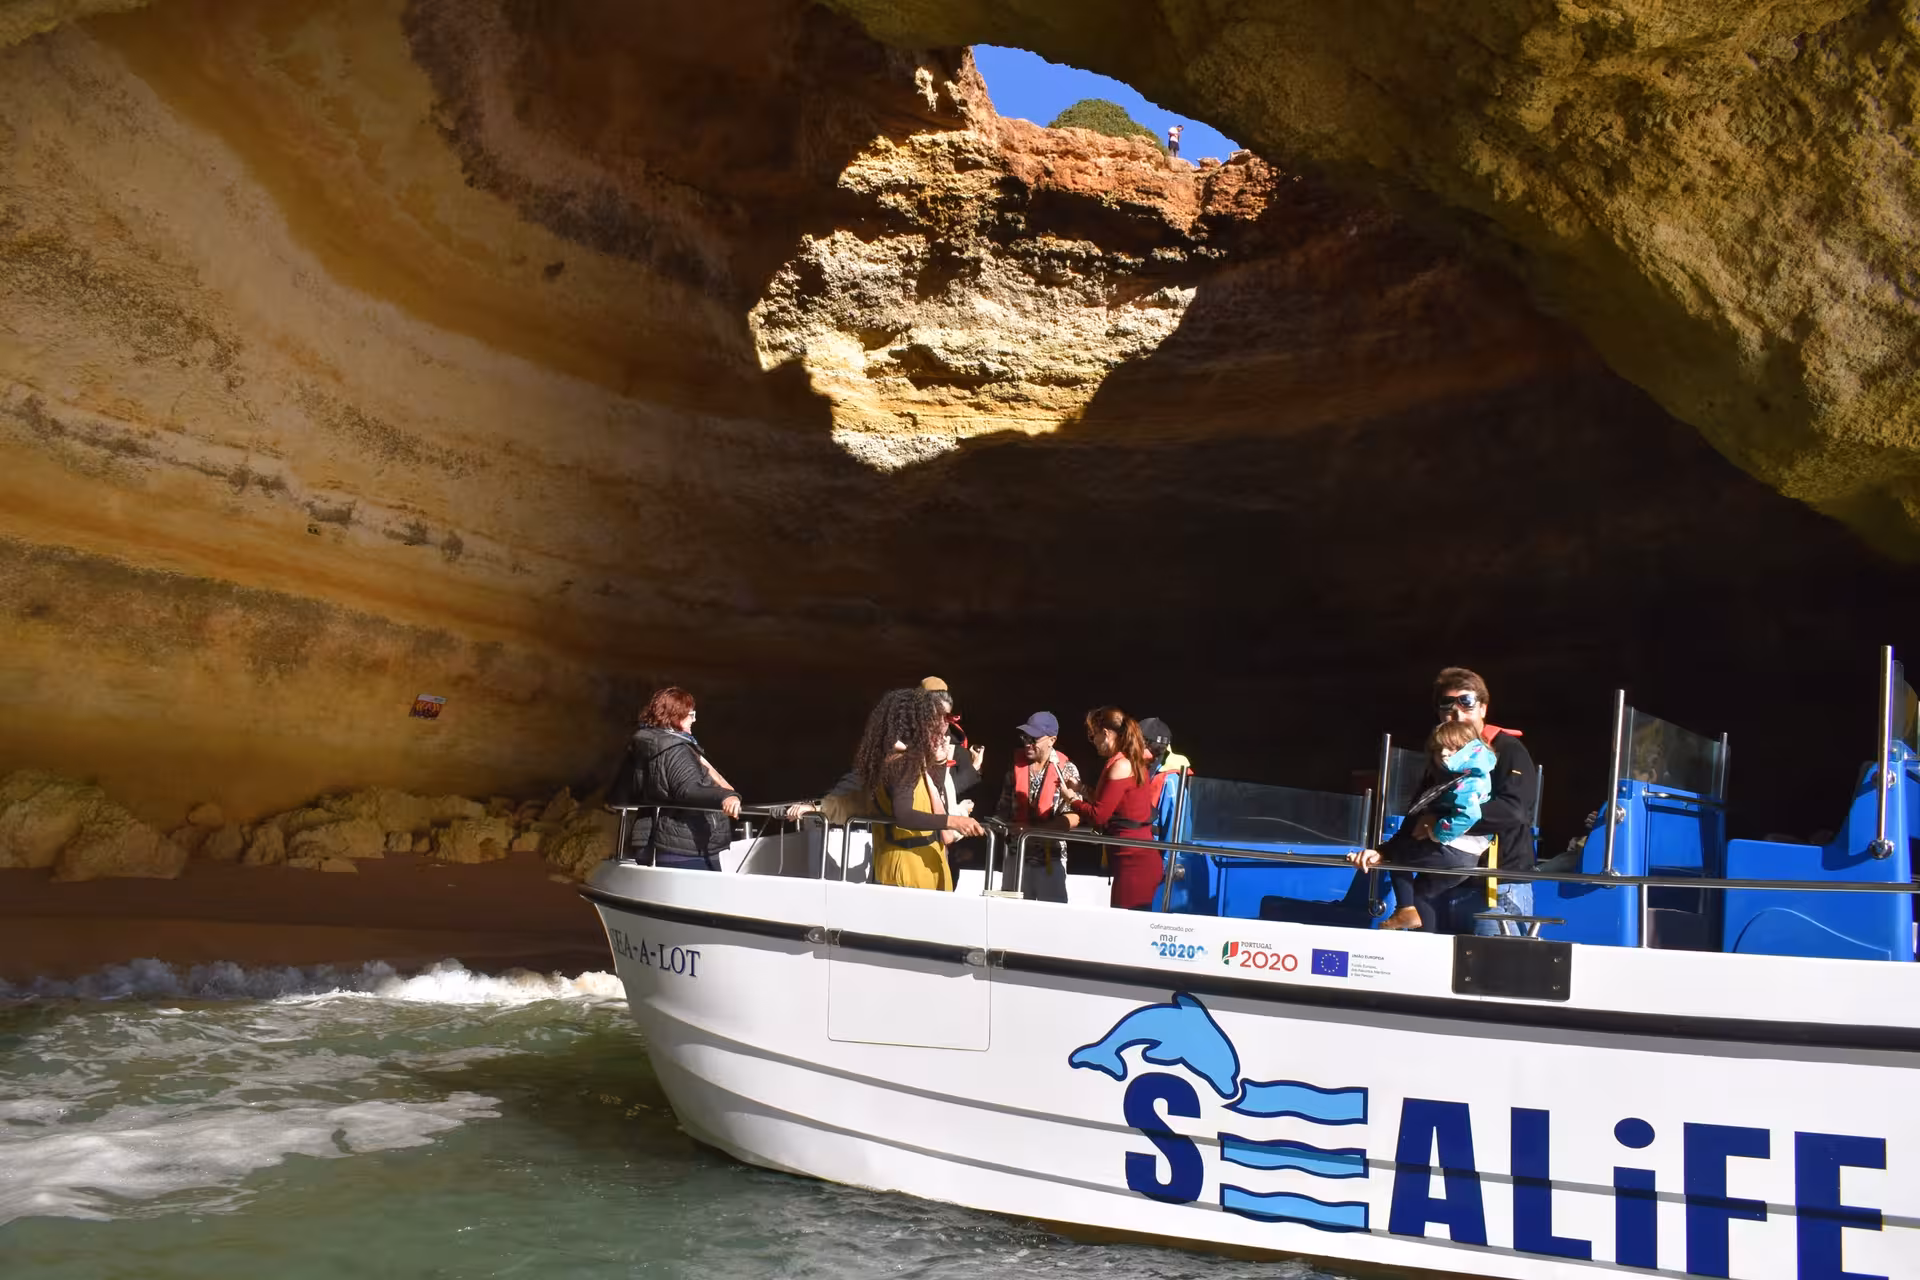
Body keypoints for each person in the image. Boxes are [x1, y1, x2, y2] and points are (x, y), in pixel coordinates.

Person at [1350, 667, 1538, 933]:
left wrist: (1441, 822)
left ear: (1483, 708)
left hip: (1495, 887)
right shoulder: (1444, 755)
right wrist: (1382, 852)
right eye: (1448, 707)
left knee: (1490, 970)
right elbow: (1419, 814)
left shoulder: (1507, 749)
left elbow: (1515, 811)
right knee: (1433, 964)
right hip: (1443, 885)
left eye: (1467, 704)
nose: (1458, 715)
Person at [1363, 720, 1499, 929]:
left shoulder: (1467, 780)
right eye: (1438, 750)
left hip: (1454, 851)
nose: (1444, 754)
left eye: (1453, 748)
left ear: (1470, 750)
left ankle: (1405, 908)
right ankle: (1424, 937)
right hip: (1466, 858)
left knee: (1398, 855)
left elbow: (1469, 814)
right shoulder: (1464, 776)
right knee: (1422, 893)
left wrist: (1437, 833)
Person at [854, 688, 985, 889]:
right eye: (934, 719)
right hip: (908, 868)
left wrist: (940, 765)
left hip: (923, 862)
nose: (943, 726)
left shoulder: (910, 759)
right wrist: (954, 820)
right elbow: (904, 814)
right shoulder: (902, 762)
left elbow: (930, 804)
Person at [615, 686, 742, 870]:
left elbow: (625, 792)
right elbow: (688, 789)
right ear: (676, 716)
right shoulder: (675, 749)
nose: (694, 719)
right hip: (684, 849)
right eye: (691, 714)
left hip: (654, 844)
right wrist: (726, 797)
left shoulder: (648, 745)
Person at [1074, 707, 1163, 909]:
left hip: (1135, 863)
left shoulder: (1121, 765)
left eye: (1092, 736)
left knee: (1126, 931)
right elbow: (1112, 803)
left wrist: (1072, 800)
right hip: (1133, 861)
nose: (1093, 743)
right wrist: (1081, 789)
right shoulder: (1130, 760)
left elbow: (1099, 815)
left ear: (1105, 733)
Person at [994, 712, 1083, 902]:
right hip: (1016, 858)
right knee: (1011, 917)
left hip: (1051, 860)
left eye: (1034, 738)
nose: (1027, 743)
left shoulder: (1068, 770)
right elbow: (1002, 810)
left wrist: (1033, 831)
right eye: (1025, 737)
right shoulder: (1014, 768)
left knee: (1049, 922)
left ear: (1052, 740)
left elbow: (1075, 817)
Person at [921, 677, 985, 799]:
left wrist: (974, 769)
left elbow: (961, 795)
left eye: (946, 716)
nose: (942, 721)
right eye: (934, 714)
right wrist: (974, 768)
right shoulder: (904, 744)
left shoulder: (958, 750)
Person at [1138, 717, 1192, 841]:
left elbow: (1177, 834)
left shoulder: (1172, 781)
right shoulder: (1139, 770)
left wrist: (1168, 860)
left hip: (1152, 854)